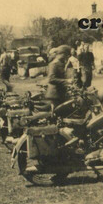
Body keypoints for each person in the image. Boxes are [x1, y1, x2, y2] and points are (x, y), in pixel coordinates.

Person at [24, 45, 72, 177]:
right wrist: (66, 81)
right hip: (54, 96)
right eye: (65, 54)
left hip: (59, 95)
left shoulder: (60, 63)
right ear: (61, 53)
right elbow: (51, 78)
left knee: (62, 121)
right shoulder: (55, 63)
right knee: (56, 124)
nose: (66, 57)